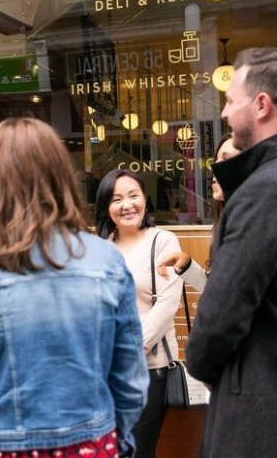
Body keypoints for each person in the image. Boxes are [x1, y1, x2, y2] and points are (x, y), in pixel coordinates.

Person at [0, 118, 148, 458]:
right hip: (92, 441)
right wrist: (114, 438)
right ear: (61, 176)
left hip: (3, 444)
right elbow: (131, 378)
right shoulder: (106, 259)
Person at [186, 47, 277, 457]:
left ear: (261, 105)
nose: (223, 113)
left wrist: (202, 366)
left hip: (258, 412)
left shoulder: (263, 192)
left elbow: (221, 317)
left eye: (229, 100)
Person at [95, 168, 183, 458]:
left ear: (146, 199)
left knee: (135, 451)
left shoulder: (163, 241)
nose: (127, 205)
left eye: (133, 195)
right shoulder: (101, 249)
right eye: (117, 198)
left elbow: (167, 304)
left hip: (147, 367)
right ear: (107, 208)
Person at [157, 135, 240, 291]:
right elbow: (217, 291)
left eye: (227, 159)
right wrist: (186, 264)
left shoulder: (264, 227)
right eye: (216, 160)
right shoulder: (228, 223)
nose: (215, 167)